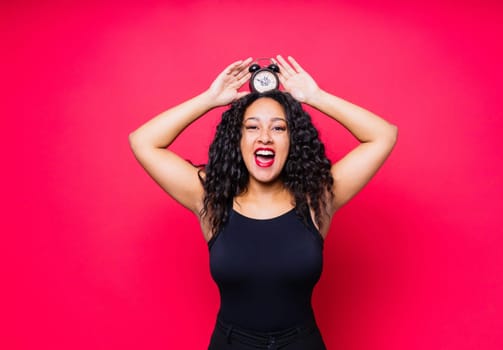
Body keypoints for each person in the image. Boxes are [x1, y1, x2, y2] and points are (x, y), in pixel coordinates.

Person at [129, 55, 398, 349]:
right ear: (238, 139)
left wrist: (315, 97)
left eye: (279, 128)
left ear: (292, 140)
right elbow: (143, 141)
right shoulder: (211, 197)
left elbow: (383, 136)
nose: (265, 137)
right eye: (252, 127)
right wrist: (209, 100)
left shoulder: (317, 198)